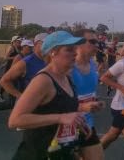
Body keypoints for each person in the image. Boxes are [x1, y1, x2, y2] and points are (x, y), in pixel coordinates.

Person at [8, 31, 87, 159]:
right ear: (53, 52)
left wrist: (76, 122)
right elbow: (15, 120)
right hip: (36, 154)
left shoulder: (66, 77)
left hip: (59, 153)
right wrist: (60, 118)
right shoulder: (43, 80)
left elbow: (60, 108)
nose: (75, 53)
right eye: (69, 50)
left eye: (75, 49)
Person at [72, 29, 105, 160]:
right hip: (66, 126)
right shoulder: (68, 67)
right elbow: (56, 102)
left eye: (97, 42)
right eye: (92, 41)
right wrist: (82, 107)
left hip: (87, 124)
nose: (96, 45)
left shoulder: (92, 64)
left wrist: (95, 102)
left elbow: (87, 93)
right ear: (78, 43)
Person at [0, 33, 48, 99]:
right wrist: (20, 96)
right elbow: (4, 80)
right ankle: (1, 95)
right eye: (29, 47)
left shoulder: (48, 60)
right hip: (27, 101)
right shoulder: (24, 59)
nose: (30, 49)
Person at [0, 36, 22, 102]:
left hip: (13, 67)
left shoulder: (17, 48)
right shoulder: (11, 48)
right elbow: (6, 57)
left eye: (19, 41)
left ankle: (12, 97)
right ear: (13, 42)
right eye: (17, 41)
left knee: (13, 82)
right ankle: (0, 95)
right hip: (9, 67)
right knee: (6, 81)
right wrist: (15, 58)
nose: (19, 42)